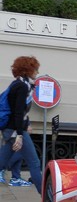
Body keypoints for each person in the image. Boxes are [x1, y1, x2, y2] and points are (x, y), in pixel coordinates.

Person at [0, 56, 42, 194]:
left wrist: (25, 125)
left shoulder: (18, 84)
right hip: (15, 130)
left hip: (11, 129)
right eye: (35, 69)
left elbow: (20, 112)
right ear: (27, 70)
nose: (37, 72)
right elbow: (17, 112)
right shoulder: (22, 86)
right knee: (34, 163)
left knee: (2, 161)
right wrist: (19, 135)